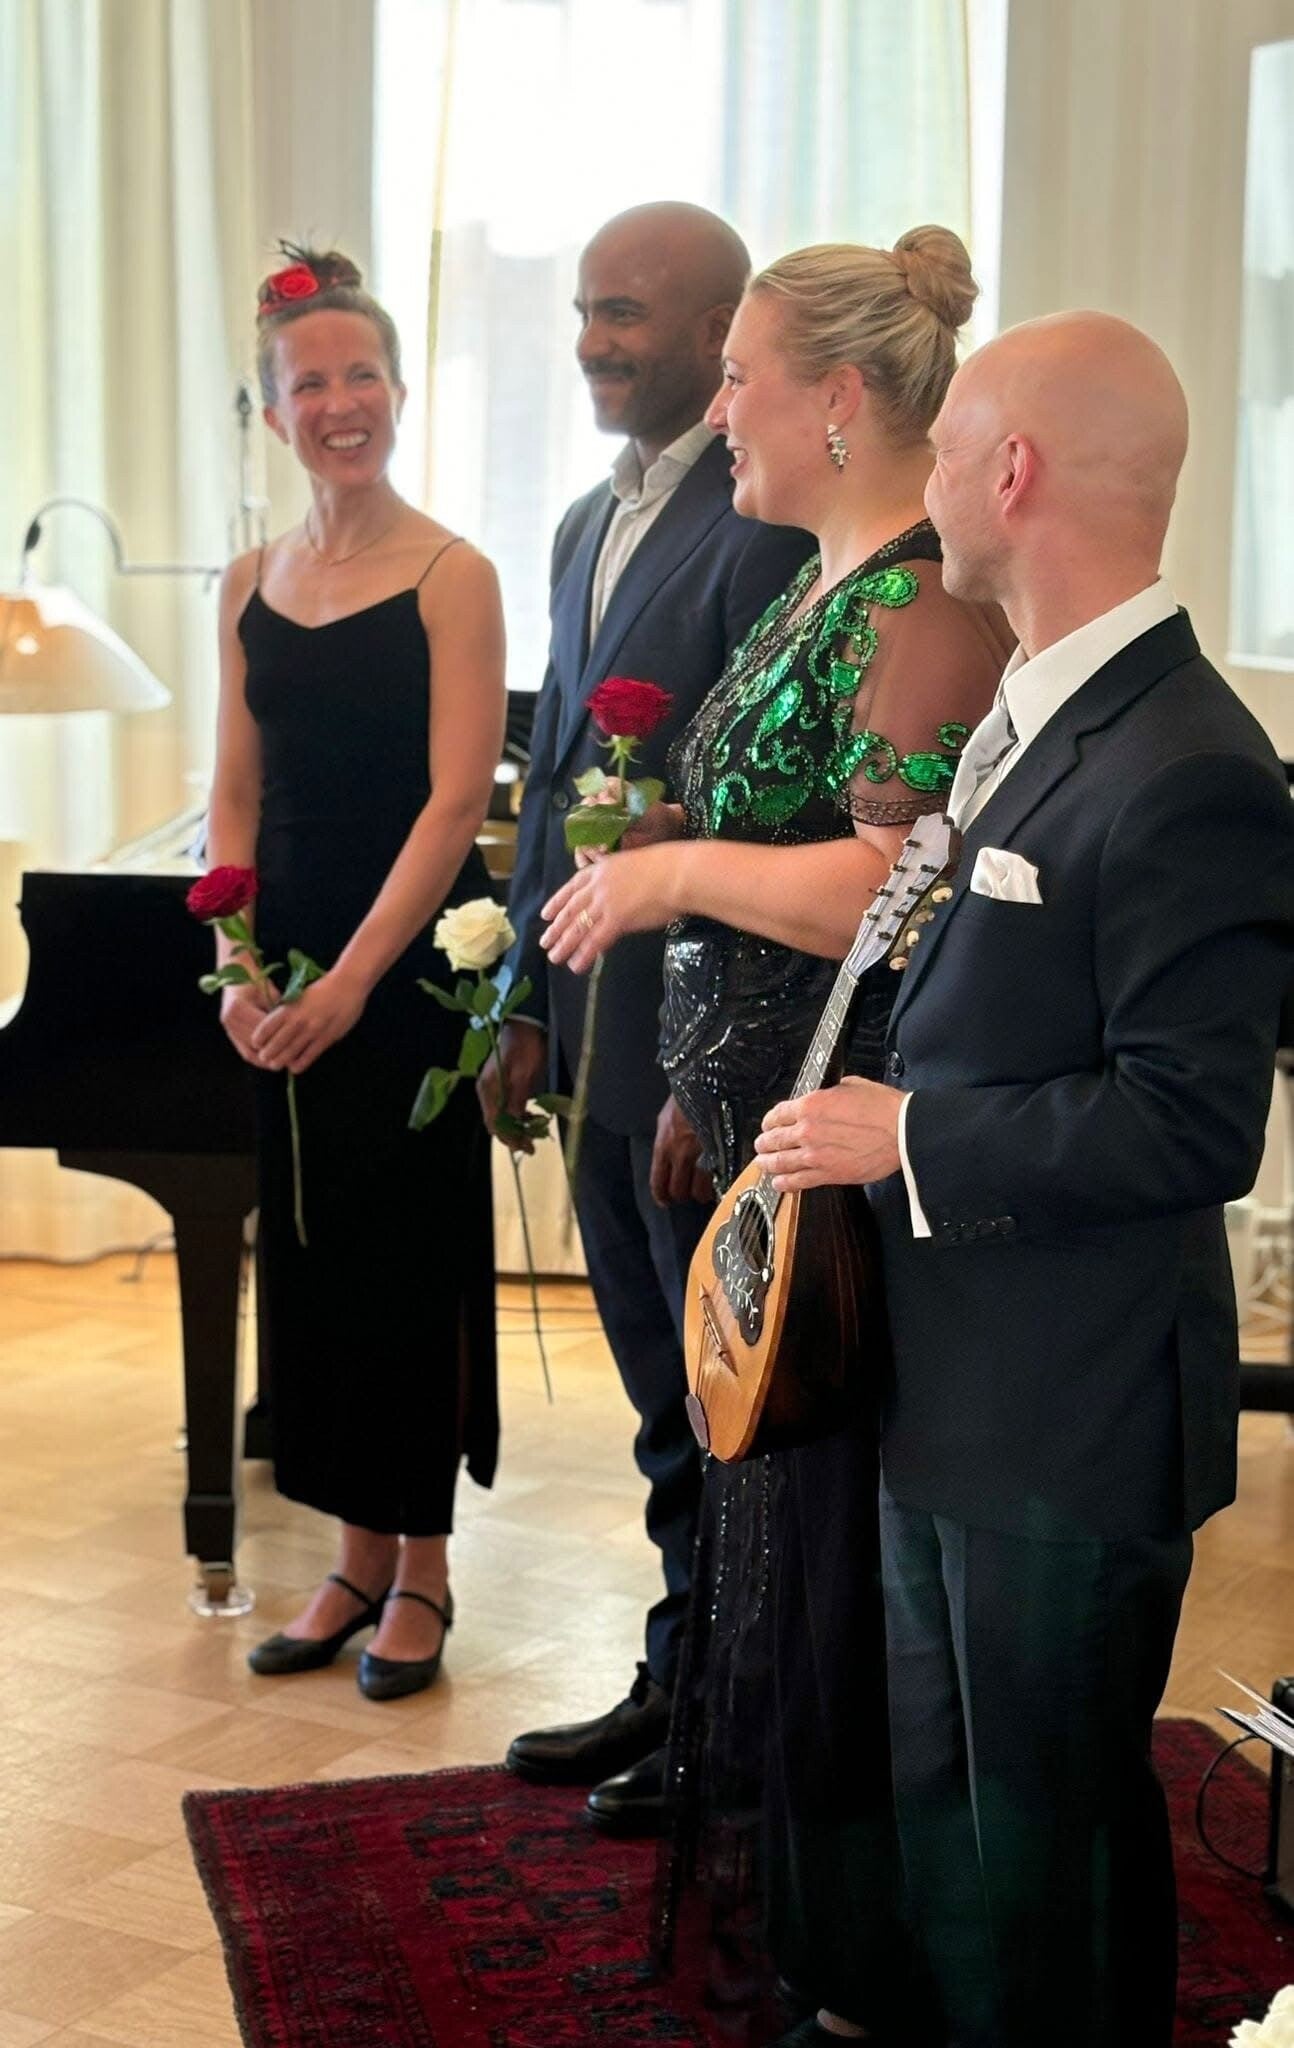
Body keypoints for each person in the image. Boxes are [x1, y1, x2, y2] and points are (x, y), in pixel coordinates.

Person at [753, 310, 1294, 2046]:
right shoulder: (1033, 710)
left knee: (1044, 1849)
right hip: (951, 1375)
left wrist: (904, 1137)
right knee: (950, 1812)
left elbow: (1193, 1123)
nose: (920, 488)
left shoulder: (1191, 764)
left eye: (943, 451)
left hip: (1067, 1410)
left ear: (1010, 471)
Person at [543, 230, 1010, 2045]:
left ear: (837, 399)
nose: (718, 407)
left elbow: (894, 887)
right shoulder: (814, 585)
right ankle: (798, 1924)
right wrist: (690, 1073)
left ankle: (861, 1971)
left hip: (842, 1171)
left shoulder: (920, 602)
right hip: (746, 1132)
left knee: (828, 1574)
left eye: (739, 375)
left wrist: (667, 875)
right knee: (760, 1547)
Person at [480, 202, 814, 1832]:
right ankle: (678, 1672)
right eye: (584, 313)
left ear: (713, 330)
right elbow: (556, 777)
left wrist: (705, 1076)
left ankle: (729, 1718)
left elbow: (757, 813)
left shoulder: (763, 525)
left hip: (688, 1048)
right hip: (584, 1017)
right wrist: (518, 1006)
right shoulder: (576, 523)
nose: (594, 343)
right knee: (651, 1389)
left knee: (714, 1392)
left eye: (624, 314)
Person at [208, 244, 505, 1701]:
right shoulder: (247, 581)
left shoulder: (455, 575)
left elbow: (454, 807)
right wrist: (236, 966)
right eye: (311, 381)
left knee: (406, 1264)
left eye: (363, 374)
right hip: (287, 969)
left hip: (414, 964)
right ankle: (350, 1555)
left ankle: (424, 1567)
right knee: (313, 1264)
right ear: (273, 413)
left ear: (396, 390)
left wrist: (350, 987)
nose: (342, 402)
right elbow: (233, 797)